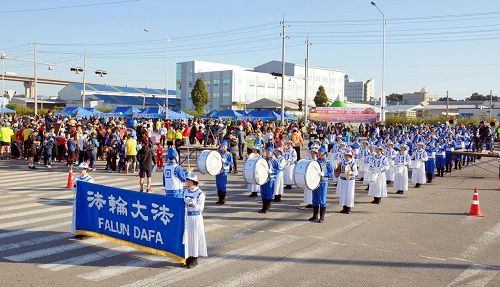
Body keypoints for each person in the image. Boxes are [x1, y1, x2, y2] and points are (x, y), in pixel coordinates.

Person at [183, 172, 207, 269]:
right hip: (187, 218)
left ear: (193, 182)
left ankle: (194, 259)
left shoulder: (200, 193)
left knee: (195, 238)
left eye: (188, 180)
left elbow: (201, 208)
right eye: (187, 180)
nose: (187, 182)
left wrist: (192, 203)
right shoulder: (186, 191)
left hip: (196, 218)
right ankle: (188, 258)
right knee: (187, 238)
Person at [309, 146, 333, 223]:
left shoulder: (328, 162)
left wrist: (324, 174)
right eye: (318, 152)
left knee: (322, 200)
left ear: (324, 153)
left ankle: (322, 217)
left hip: (323, 182)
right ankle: (315, 216)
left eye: (320, 152)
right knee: (315, 199)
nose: (318, 153)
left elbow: (331, 173)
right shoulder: (315, 161)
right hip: (315, 182)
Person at [71, 162, 94, 239]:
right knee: (77, 216)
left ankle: (86, 233)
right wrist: (75, 183)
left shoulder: (89, 179)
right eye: (79, 169)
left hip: (85, 201)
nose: (80, 170)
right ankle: (78, 231)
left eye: (82, 169)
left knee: (85, 217)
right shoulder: (78, 178)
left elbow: (91, 191)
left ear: (86, 170)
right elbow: (74, 189)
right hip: (78, 200)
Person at [337, 149, 358, 214]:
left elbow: (356, 172)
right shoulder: (342, 162)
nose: (345, 156)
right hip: (343, 180)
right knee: (343, 193)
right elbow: (338, 169)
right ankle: (344, 207)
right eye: (345, 155)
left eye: (347, 155)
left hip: (350, 181)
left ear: (350, 156)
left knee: (349, 194)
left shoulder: (353, 164)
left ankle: (348, 208)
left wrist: (351, 173)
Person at [259, 146, 279, 213]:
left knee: (269, 193)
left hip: (270, 179)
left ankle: (267, 208)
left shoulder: (275, 161)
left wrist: (272, 171)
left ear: (272, 153)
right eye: (266, 152)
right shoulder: (263, 160)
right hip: (263, 179)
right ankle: (263, 207)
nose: (267, 153)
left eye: (269, 152)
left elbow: (278, 170)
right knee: (263, 193)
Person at [215, 140, 233, 205]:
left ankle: (223, 199)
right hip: (218, 170)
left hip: (224, 170)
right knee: (218, 185)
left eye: (224, 146)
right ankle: (219, 199)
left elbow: (231, 162)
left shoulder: (229, 154)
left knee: (222, 185)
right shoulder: (218, 153)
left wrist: (225, 161)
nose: (222, 147)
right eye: (222, 146)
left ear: (226, 147)